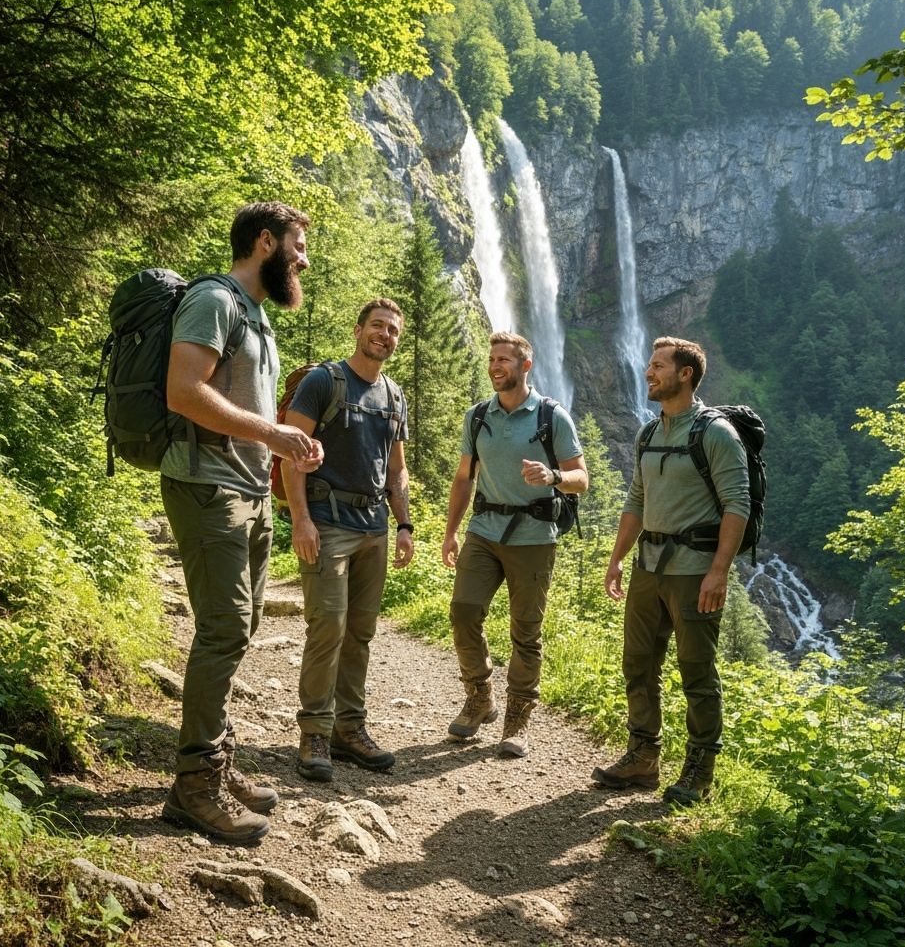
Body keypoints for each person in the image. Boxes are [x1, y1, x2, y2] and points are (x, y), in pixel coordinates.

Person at [160, 201, 323, 843]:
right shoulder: (215, 301)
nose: (303, 259)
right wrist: (274, 432)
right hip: (207, 486)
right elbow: (184, 392)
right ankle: (193, 786)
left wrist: (288, 448)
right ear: (265, 242)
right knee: (225, 628)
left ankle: (215, 762)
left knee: (243, 625)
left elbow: (251, 412)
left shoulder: (257, 319)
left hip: (251, 491)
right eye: (297, 245)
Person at [592, 337, 749, 804]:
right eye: (648, 364)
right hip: (648, 565)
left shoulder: (715, 433)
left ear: (685, 374)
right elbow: (636, 500)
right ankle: (643, 756)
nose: (648, 372)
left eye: (657, 366)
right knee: (638, 664)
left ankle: (700, 770)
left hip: (693, 571)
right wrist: (618, 557)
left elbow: (737, 504)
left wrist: (718, 572)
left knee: (696, 671)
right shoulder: (648, 434)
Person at [282, 298, 414, 782]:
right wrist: (301, 520)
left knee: (360, 632)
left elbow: (397, 470)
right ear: (358, 330)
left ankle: (349, 729)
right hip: (327, 523)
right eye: (377, 326)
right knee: (328, 627)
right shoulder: (325, 382)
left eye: (393, 330)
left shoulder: (394, 396)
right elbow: (289, 453)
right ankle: (314, 731)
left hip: (374, 528)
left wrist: (404, 525)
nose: (385, 335)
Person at [441, 333, 588, 758]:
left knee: (526, 633)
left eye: (504, 359)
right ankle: (479, 696)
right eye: (492, 359)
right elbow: (464, 477)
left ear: (526, 365)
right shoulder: (477, 416)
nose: (495, 365)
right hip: (484, 530)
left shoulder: (551, 416)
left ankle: (517, 720)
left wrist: (553, 477)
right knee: (464, 612)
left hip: (533, 538)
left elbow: (582, 477)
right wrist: (451, 531)